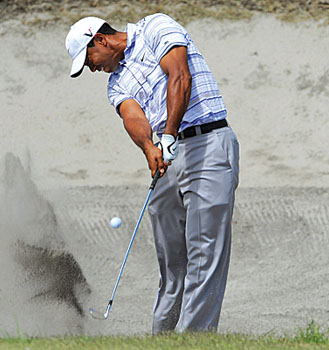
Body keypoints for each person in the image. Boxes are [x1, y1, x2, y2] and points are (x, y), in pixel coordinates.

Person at [65, 13, 239, 333]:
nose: (91, 68)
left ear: (100, 40)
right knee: (172, 263)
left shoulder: (156, 27)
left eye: (88, 58)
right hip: (168, 160)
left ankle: (193, 339)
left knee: (204, 253)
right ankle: (162, 337)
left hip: (208, 146)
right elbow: (132, 115)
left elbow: (180, 75)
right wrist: (150, 148)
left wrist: (170, 133)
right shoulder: (115, 83)